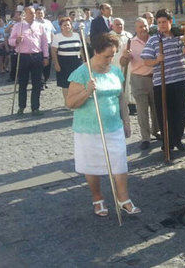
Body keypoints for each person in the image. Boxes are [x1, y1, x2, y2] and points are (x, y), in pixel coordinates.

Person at [65, 33, 140, 217]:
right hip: (88, 130)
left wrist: (126, 122)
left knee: (119, 162)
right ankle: (97, 199)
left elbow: (121, 99)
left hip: (113, 126)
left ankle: (123, 199)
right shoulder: (82, 73)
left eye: (113, 55)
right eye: (107, 55)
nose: (110, 59)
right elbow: (70, 103)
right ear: (96, 52)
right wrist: (87, 90)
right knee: (92, 166)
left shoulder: (114, 71)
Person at [141, 9, 185, 157]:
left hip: (181, 80)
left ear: (170, 22)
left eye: (164, 22)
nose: (162, 25)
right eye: (159, 23)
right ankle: (167, 144)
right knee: (165, 115)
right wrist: (157, 60)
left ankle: (178, 140)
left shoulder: (179, 38)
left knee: (181, 113)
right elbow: (146, 61)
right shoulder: (153, 40)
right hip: (162, 84)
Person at [120, 18, 160, 150]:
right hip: (138, 79)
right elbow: (123, 63)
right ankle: (145, 138)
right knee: (142, 110)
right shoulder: (130, 42)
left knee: (156, 108)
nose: (143, 29)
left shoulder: (155, 40)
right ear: (135, 29)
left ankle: (156, 131)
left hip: (155, 78)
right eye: (140, 27)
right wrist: (125, 56)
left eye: (145, 26)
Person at [9, 6, 49, 116]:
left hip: (37, 56)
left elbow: (44, 43)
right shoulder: (18, 26)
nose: (33, 15)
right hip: (23, 56)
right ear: (25, 14)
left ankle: (35, 107)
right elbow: (10, 41)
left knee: (37, 83)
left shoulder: (40, 26)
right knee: (23, 83)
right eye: (31, 13)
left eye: (34, 13)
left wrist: (46, 56)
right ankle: (21, 107)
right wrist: (16, 40)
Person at [51, 16, 83, 104]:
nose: (67, 27)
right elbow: (53, 51)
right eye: (64, 25)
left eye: (68, 25)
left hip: (77, 62)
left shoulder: (76, 35)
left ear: (71, 26)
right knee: (66, 84)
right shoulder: (58, 37)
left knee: (77, 82)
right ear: (61, 27)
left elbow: (81, 49)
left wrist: (84, 61)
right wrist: (56, 64)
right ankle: (68, 102)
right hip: (64, 62)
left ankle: (76, 101)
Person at [111, 18, 136, 116]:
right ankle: (117, 105)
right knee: (117, 84)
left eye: (121, 25)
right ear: (113, 26)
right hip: (114, 64)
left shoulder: (128, 35)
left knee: (128, 83)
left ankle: (131, 104)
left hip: (128, 64)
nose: (119, 26)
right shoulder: (109, 36)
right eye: (117, 25)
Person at [35, 8, 55, 87]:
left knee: (48, 64)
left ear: (44, 14)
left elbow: (52, 33)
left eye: (41, 13)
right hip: (38, 46)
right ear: (35, 14)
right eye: (38, 13)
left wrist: (53, 44)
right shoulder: (33, 23)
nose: (40, 15)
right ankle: (41, 82)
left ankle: (46, 79)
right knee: (39, 64)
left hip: (48, 45)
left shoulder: (48, 22)